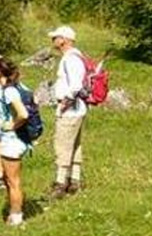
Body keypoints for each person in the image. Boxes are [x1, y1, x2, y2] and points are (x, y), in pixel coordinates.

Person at [0, 57, 31, 226]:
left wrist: (12, 125)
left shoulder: (9, 91)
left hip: (12, 141)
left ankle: (16, 216)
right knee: (10, 180)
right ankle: (13, 211)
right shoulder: (18, 86)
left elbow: (23, 113)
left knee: (13, 181)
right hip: (14, 140)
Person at [49, 26, 88, 198]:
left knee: (62, 144)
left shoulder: (70, 59)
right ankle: (74, 180)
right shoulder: (74, 57)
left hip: (70, 109)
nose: (53, 41)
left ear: (64, 39)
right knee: (75, 145)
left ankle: (60, 183)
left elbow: (76, 85)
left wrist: (65, 101)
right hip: (77, 108)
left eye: (55, 37)